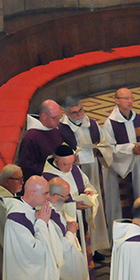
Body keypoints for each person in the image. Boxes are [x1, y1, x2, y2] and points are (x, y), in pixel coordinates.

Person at [42, 144, 102, 280]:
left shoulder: (74, 169)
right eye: (65, 164)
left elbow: (86, 183)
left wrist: (88, 191)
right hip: (66, 225)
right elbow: (52, 204)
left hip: (80, 219)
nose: (69, 167)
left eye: (71, 163)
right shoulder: (48, 177)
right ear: (56, 161)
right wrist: (74, 205)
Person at [58, 95, 111, 254]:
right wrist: (76, 157)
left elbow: (106, 144)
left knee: (96, 207)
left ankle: (96, 247)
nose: (80, 114)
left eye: (81, 110)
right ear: (66, 114)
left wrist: (99, 150)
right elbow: (60, 154)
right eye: (74, 112)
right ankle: (86, 249)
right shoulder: (62, 130)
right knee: (82, 210)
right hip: (75, 176)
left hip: (94, 173)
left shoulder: (92, 124)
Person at [102, 88, 140, 223]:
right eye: (126, 98)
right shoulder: (110, 124)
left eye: (131, 98)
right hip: (122, 172)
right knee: (123, 207)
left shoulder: (138, 119)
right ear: (116, 100)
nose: (130, 101)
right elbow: (108, 149)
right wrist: (131, 150)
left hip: (138, 167)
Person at [17, 100, 66, 181]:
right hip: (40, 181)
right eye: (55, 118)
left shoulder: (55, 130)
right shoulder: (31, 137)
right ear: (43, 116)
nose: (58, 121)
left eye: (59, 117)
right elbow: (27, 166)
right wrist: (52, 169)